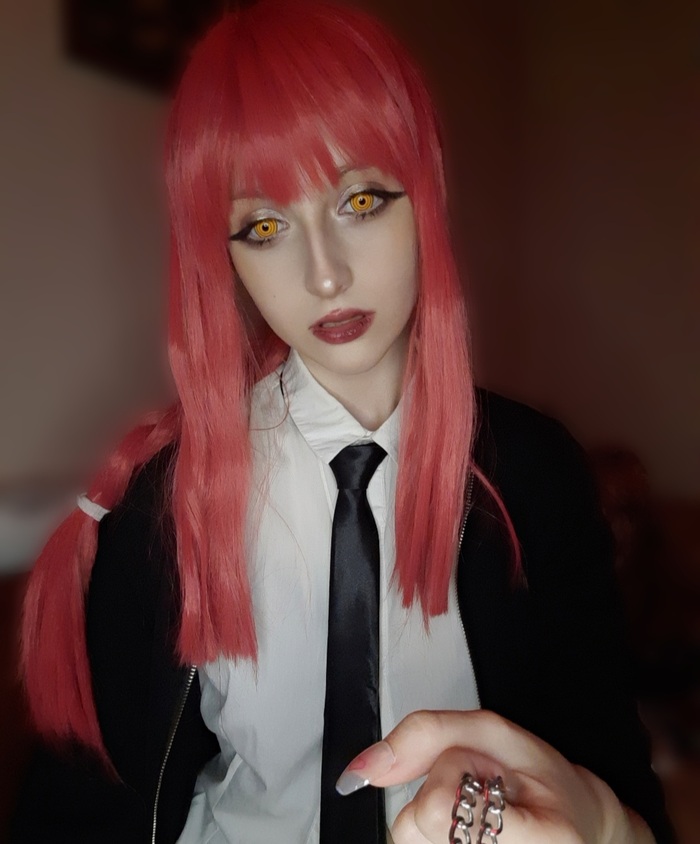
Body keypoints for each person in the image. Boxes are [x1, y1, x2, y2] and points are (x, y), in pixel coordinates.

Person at [11, 1, 674, 842]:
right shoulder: (161, 505)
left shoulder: (536, 474)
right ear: (223, 256)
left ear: (424, 194)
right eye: (264, 226)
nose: (324, 276)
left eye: (361, 200)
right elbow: (76, 807)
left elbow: (620, 791)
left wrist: (605, 824)